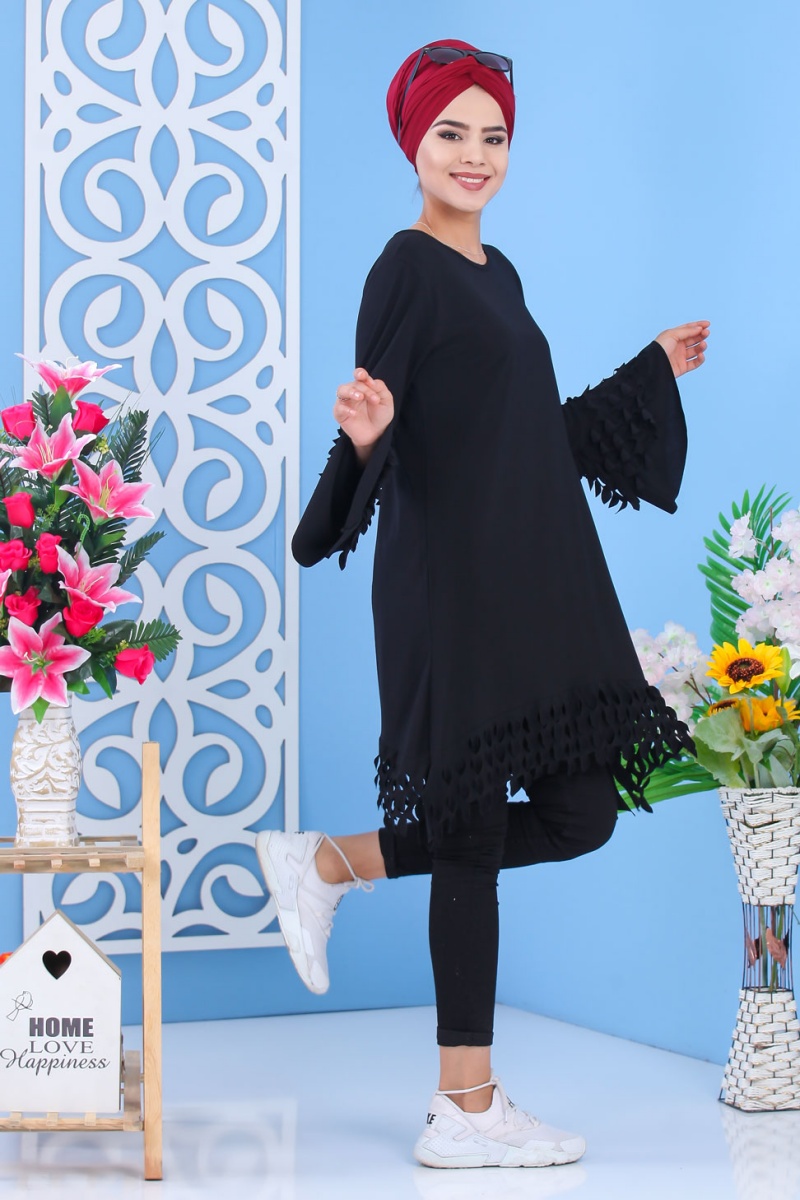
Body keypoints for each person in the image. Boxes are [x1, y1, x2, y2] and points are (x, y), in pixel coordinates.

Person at [256, 39, 709, 1170]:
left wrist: (646, 373)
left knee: (581, 813)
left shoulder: (494, 272)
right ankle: (463, 1105)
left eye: (493, 135)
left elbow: (524, 442)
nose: (474, 154)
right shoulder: (403, 270)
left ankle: (331, 863)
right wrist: (367, 437)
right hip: (449, 586)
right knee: (464, 828)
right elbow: (374, 438)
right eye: (450, 132)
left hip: (528, 583)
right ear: (412, 142)